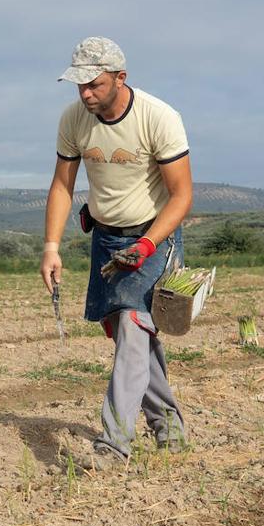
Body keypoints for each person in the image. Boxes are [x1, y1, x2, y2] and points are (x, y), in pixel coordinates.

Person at [40, 36, 193, 464]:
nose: (86, 93)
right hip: (106, 238)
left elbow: (181, 197)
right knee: (128, 333)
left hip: (154, 234)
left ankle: (113, 445)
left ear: (120, 77)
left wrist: (146, 244)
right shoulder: (74, 119)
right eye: (79, 85)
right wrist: (51, 247)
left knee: (131, 324)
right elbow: (62, 185)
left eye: (94, 84)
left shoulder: (159, 117)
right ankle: (170, 429)